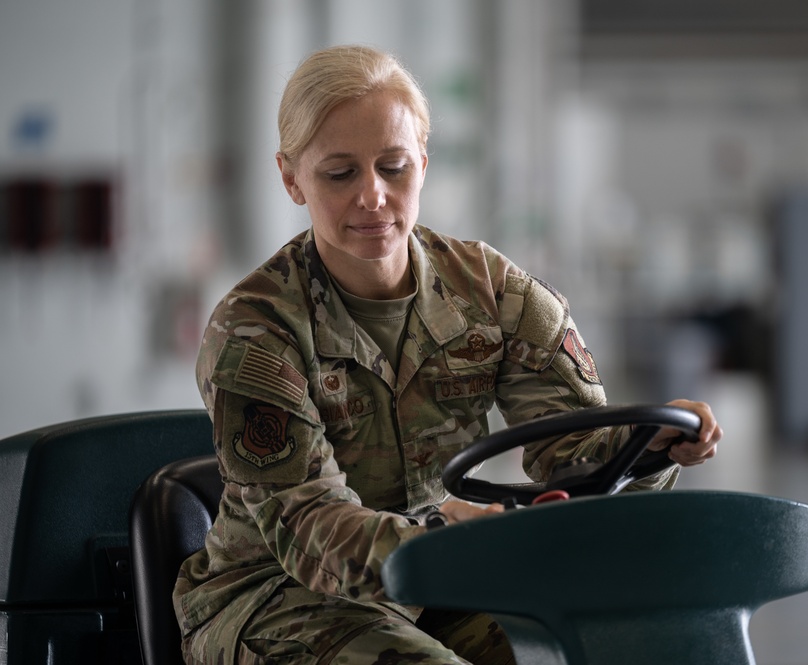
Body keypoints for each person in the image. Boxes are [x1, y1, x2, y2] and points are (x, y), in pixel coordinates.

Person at [175, 44, 723, 665]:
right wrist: (441, 540)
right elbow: (312, 529)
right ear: (290, 177)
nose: (374, 196)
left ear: (425, 164)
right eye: (340, 173)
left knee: (602, 649)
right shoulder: (255, 329)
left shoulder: (490, 290)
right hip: (276, 600)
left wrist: (645, 447)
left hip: (447, 582)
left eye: (394, 167)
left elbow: (574, 458)